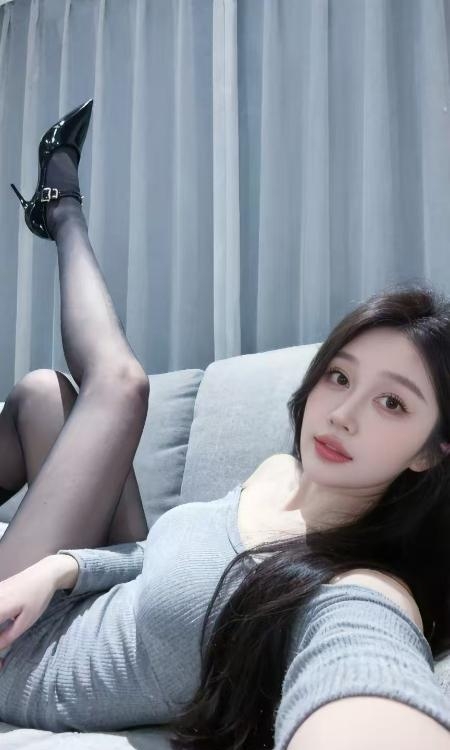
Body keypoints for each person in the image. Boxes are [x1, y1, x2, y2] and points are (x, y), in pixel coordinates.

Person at [0, 101, 448, 750]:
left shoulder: (357, 586)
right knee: (43, 394)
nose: (342, 413)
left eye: (393, 404)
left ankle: (61, 207)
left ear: (430, 452)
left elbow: (364, 670)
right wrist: (62, 569)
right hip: (40, 602)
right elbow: (150, 559)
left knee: (119, 385)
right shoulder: (278, 471)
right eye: (339, 376)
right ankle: (59, 207)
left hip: (19, 657)